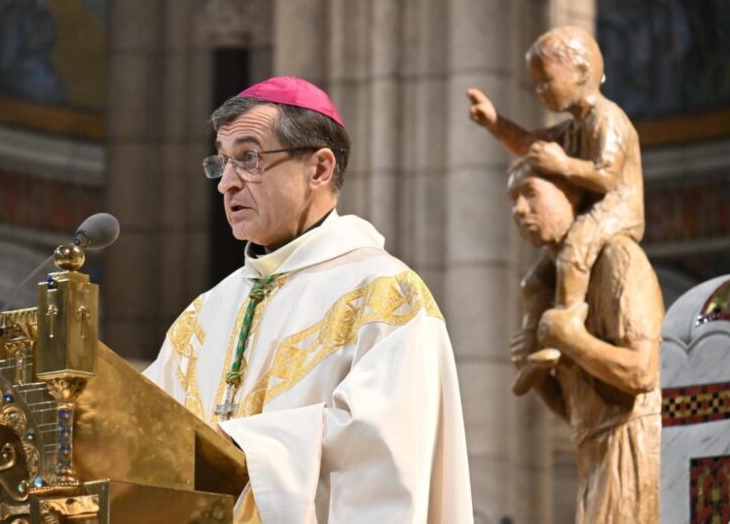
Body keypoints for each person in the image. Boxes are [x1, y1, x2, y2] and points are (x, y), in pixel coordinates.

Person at [144, 76, 473, 523]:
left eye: (249, 158)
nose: (227, 184)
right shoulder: (202, 316)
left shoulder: (386, 296)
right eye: (222, 163)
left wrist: (242, 448)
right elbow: (143, 433)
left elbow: (387, 459)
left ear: (319, 169)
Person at [467, 26, 644, 394]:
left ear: (581, 72)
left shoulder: (606, 118)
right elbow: (529, 144)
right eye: (536, 85)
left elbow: (607, 177)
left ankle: (566, 328)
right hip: (593, 215)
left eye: (546, 81)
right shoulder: (572, 128)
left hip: (616, 211)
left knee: (574, 251)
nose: (540, 92)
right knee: (534, 281)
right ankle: (537, 343)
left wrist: (563, 166)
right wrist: (495, 123)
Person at [507, 158, 661, 524]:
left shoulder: (618, 257)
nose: (519, 210)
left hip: (635, 445)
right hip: (595, 450)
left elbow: (642, 372)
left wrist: (573, 339)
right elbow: (577, 411)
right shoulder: (551, 286)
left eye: (530, 193)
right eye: (513, 199)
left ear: (572, 194)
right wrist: (538, 375)